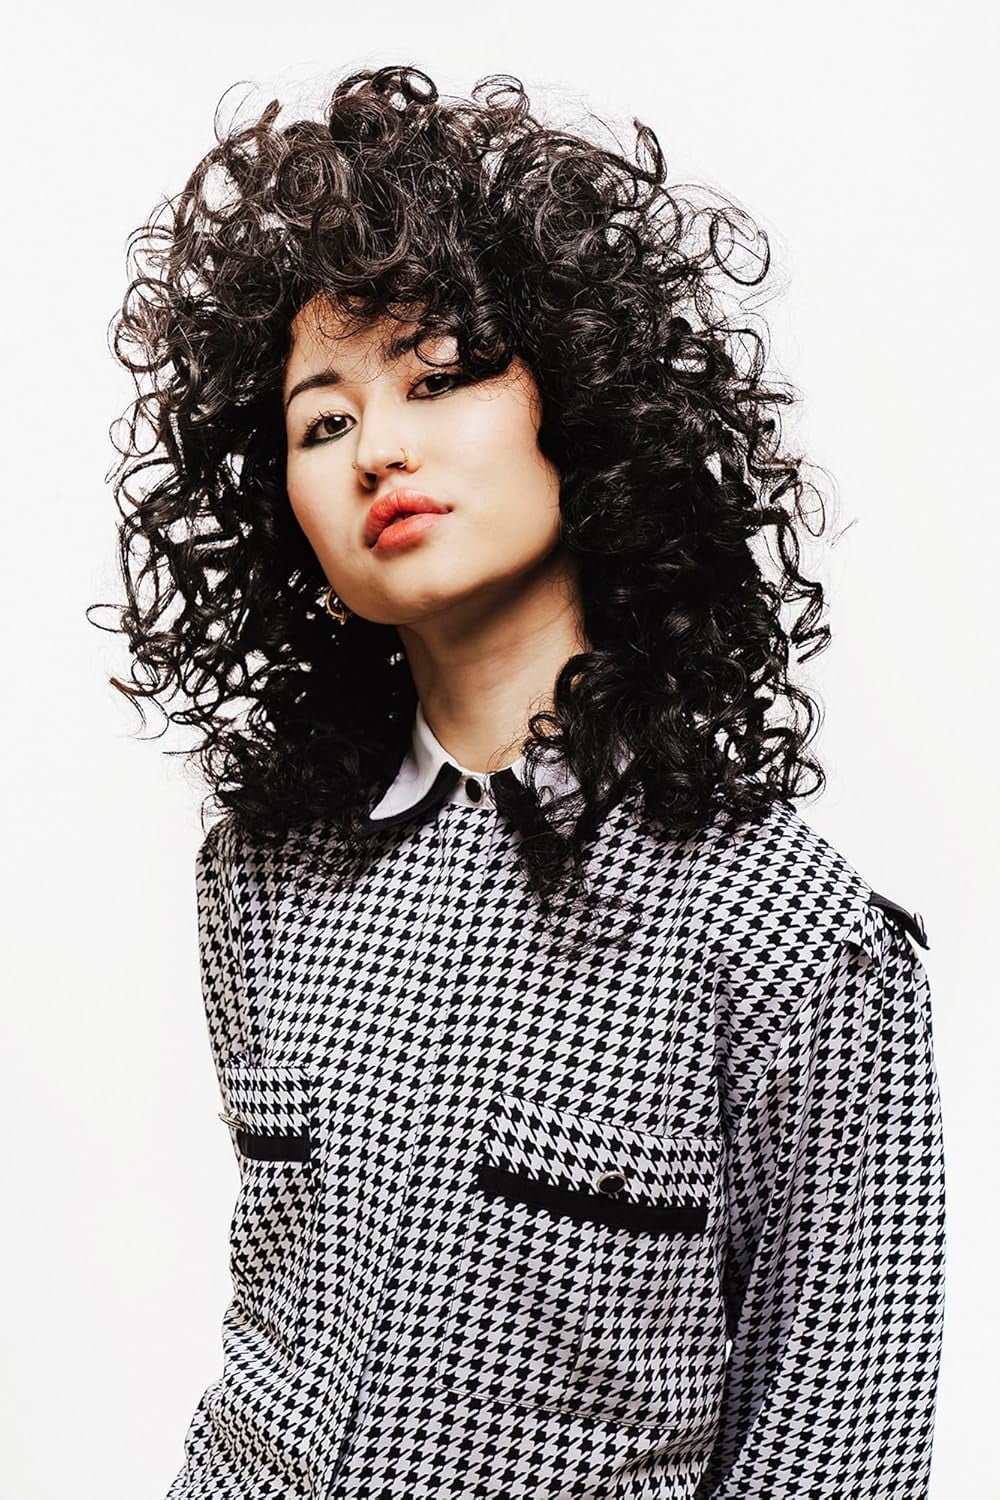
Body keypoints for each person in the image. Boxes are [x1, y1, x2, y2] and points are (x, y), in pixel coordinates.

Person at [95, 62, 945, 1500]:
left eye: (440, 375)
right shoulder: (260, 872)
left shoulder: (792, 940)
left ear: (584, 402)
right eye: (322, 421)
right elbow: (271, 1341)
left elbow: (833, 1453)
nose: (381, 448)